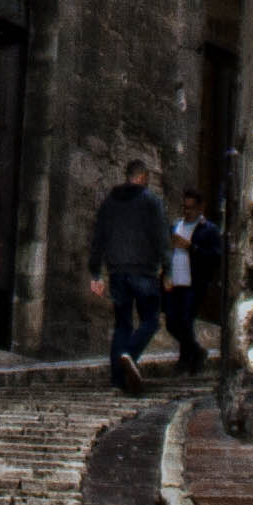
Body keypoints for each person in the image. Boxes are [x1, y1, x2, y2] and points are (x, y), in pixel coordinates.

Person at [86, 157, 171, 396]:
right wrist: (168, 269)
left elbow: (98, 238)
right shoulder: (151, 201)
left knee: (122, 324)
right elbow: (162, 237)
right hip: (144, 272)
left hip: (117, 273)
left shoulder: (109, 202)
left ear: (127, 176)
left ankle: (117, 380)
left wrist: (95, 273)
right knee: (151, 320)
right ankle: (129, 355)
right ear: (143, 178)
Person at [167, 186, 226, 376]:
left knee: (185, 320)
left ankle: (185, 360)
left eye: (191, 207)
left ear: (201, 208)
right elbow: (167, 251)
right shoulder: (176, 226)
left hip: (195, 282)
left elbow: (215, 258)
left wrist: (191, 247)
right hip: (175, 280)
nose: (187, 211)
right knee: (171, 322)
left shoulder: (209, 230)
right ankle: (197, 352)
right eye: (185, 207)